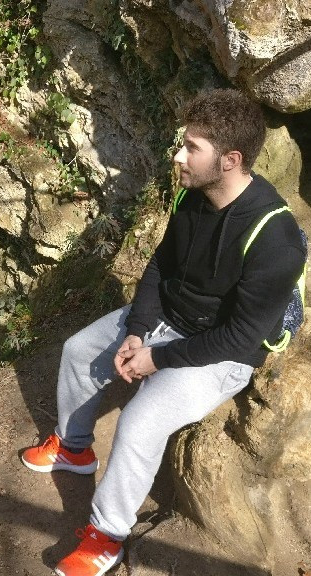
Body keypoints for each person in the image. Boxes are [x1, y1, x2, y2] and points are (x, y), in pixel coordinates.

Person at [20, 88, 307, 576]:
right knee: (78, 350)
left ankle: (107, 536)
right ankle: (73, 447)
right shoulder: (192, 195)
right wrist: (137, 331)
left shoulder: (274, 239)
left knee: (140, 420)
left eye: (192, 147)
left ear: (230, 160)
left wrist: (157, 358)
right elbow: (160, 265)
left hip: (223, 351)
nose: (178, 155)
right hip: (168, 317)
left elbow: (241, 337)